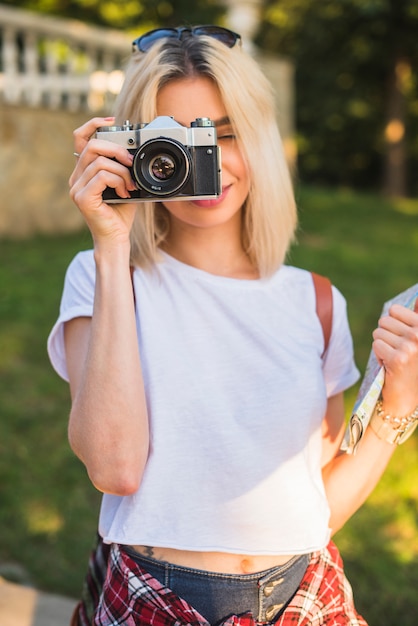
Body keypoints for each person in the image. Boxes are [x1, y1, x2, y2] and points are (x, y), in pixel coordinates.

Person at [47, 25, 418, 626]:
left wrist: (398, 404)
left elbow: (315, 510)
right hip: (157, 601)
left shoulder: (317, 301)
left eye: (225, 135)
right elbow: (115, 467)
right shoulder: (102, 276)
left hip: (305, 596)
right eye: (174, 141)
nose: (205, 163)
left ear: (261, 140)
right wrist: (112, 245)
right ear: (129, 147)